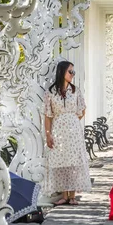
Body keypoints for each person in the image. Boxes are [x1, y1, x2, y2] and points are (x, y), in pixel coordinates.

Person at [44, 61, 92, 206]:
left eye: (73, 72)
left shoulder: (75, 90)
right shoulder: (51, 92)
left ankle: (72, 195)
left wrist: (72, 120)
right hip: (58, 129)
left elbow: (82, 110)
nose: (72, 74)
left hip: (73, 130)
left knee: (74, 162)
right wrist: (48, 134)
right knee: (62, 161)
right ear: (62, 72)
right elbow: (47, 115)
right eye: (70, 71)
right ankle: (64, 195)